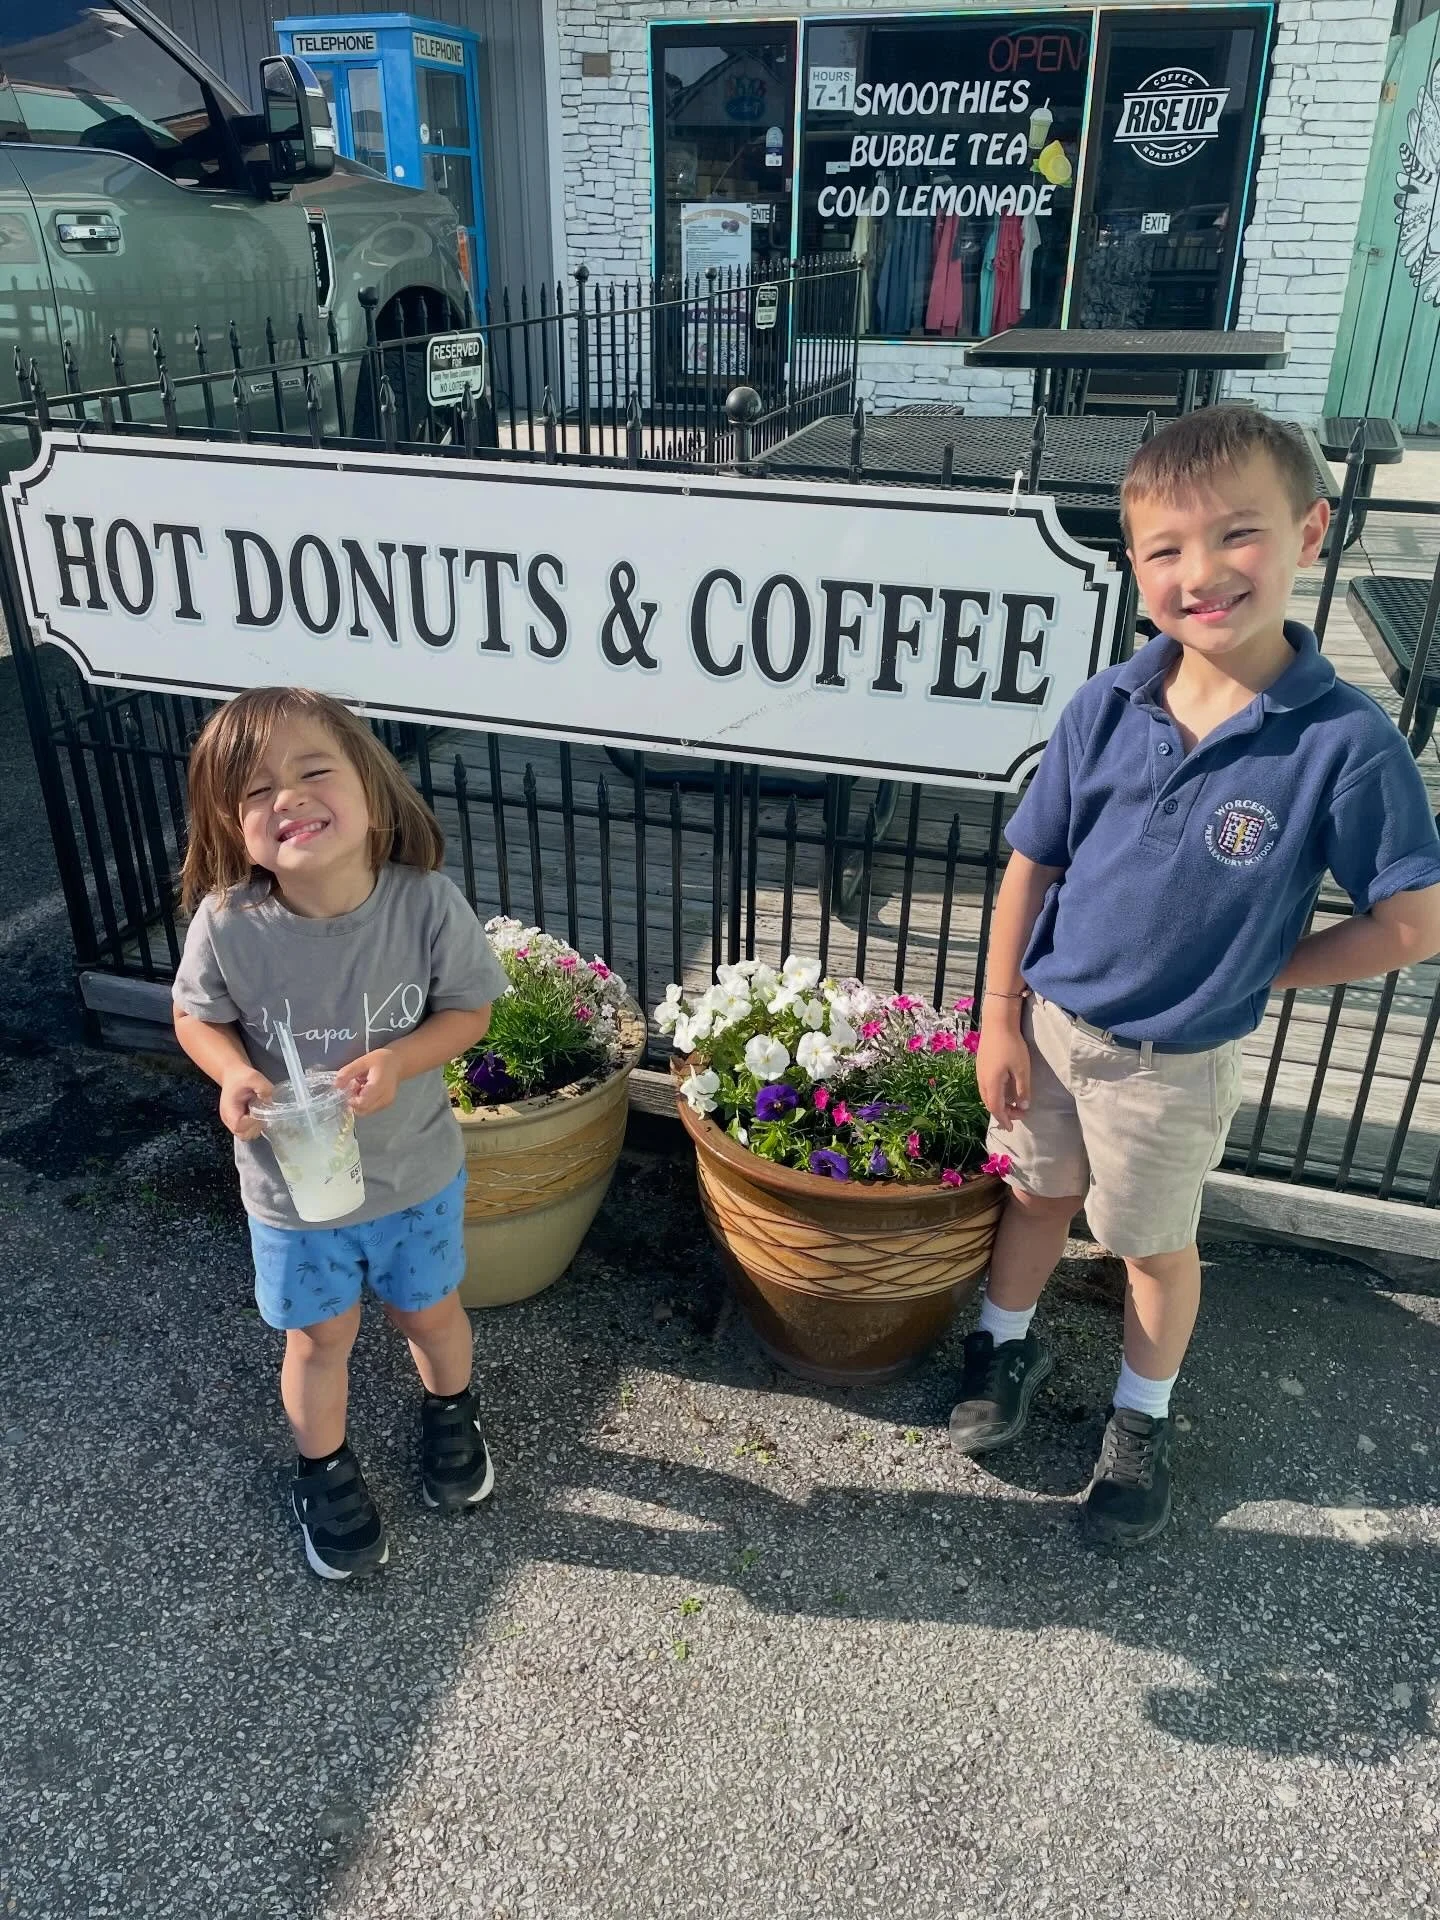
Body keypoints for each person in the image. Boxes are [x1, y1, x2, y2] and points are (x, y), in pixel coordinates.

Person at [950, 406, 1440, 1545]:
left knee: (1153, 1247)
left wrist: (1266, 971)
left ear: (1310, 531)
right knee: (1033, 1196)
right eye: (1168, 548)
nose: (1203, 572)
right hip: (1055, 1026)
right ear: (1136, 567)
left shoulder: (1343, 743)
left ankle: (1139, 1418)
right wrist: (999, 1018)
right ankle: (1001, 1346)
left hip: (1174, 1070)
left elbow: (1409, 924)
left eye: (1238, 535)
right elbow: (1033, 862)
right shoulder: (1107, 705)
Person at [172, 687, 509, 1580]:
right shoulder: (229, 926)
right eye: (253, 791)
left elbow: (469, 1011)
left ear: (371, 787)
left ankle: (452, 1412)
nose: (285, 797)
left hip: (416, 1175)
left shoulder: (425, 904)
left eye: (312, 770)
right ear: (227, 824)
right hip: (292, 1196)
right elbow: (194, 1018)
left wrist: (400, 1059)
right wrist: (234, 1072)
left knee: (430, 1312)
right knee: (319, 1339)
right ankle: (319, 1470)